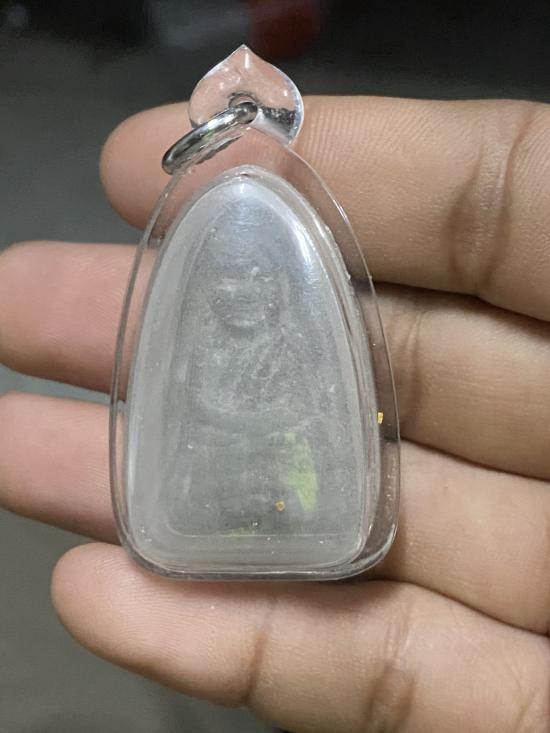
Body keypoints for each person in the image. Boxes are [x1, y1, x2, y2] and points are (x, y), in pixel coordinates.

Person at [0, 96, 548, 732]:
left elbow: (309, 434)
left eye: (258, 278)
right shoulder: (197, 351)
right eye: (228, 280)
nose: (240, 293)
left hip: (297, 492)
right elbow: (189, 428)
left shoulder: (299, 348)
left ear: (281, 286)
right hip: (204, 497)